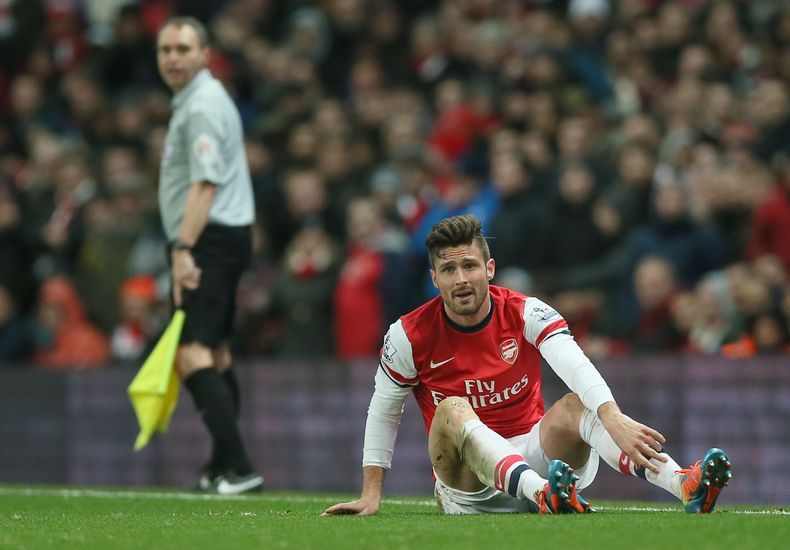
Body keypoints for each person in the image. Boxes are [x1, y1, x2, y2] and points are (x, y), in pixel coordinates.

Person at [323, 214, 731, 517]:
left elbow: (575, 363)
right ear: (434, 278)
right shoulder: (407, 334)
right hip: (467, 487)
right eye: (449, 269)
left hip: (542, 460)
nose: (461, 278)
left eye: (469, 266)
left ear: (490, 268)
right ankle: (543, 494)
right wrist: (371, 493)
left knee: (576, 404)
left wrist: (612, 417)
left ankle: (683, 485)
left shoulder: (525, 312)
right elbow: (383, 411)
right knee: (451, 408)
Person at [156, 16, 261, 494]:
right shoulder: (204, 100)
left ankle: (238, 468)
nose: (173, 57)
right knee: (214, 350)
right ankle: (222, 464)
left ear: (204, 53)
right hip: (225, 235)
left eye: (183, 48)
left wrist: (183, 248)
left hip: (208, 237)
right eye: (166, 49)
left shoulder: (200, 106)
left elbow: (205, 181)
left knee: (190, 350)